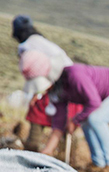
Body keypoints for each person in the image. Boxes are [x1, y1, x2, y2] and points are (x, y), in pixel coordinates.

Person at [36, 59, 109, 172]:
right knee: (86, 121)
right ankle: (98, 163)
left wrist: (74, 121)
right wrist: (48, 150)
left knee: (96, 119)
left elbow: (94, 102)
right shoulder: (56, 91)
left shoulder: (75, 75)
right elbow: (59, 122)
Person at [11, 15, 78, 152]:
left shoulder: (25, 46)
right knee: (62, 120)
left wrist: (37, 93)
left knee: (41, 113)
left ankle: (37, 148)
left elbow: (38, 74)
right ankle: (61, 151)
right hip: (62, 86)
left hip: (57, 85)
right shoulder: (42, 42)